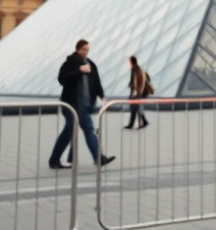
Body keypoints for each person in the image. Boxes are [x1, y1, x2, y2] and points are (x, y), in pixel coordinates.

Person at [48, 39, 116, 169]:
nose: (86, 52)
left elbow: (96, 81)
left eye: (88, 50)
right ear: (78, 49)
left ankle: (55, 160)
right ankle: (98, 158)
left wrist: (102, 95)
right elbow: (62, 79)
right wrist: (79, 71)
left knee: (77, 131)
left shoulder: (91, 64)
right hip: (71, 104)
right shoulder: (70, 62)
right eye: (84, 49)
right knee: (86, 130)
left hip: (85, 104)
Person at [125, 55, 150, 129]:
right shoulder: (139, 68)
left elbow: (134, 82)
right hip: (140, 92)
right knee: (138, 108)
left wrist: (130, 85)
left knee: (133, 108)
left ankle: (131, 124)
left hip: (136, 93)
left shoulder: (134, 69)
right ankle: (144, 121)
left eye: (129, 62)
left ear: (131, 62)